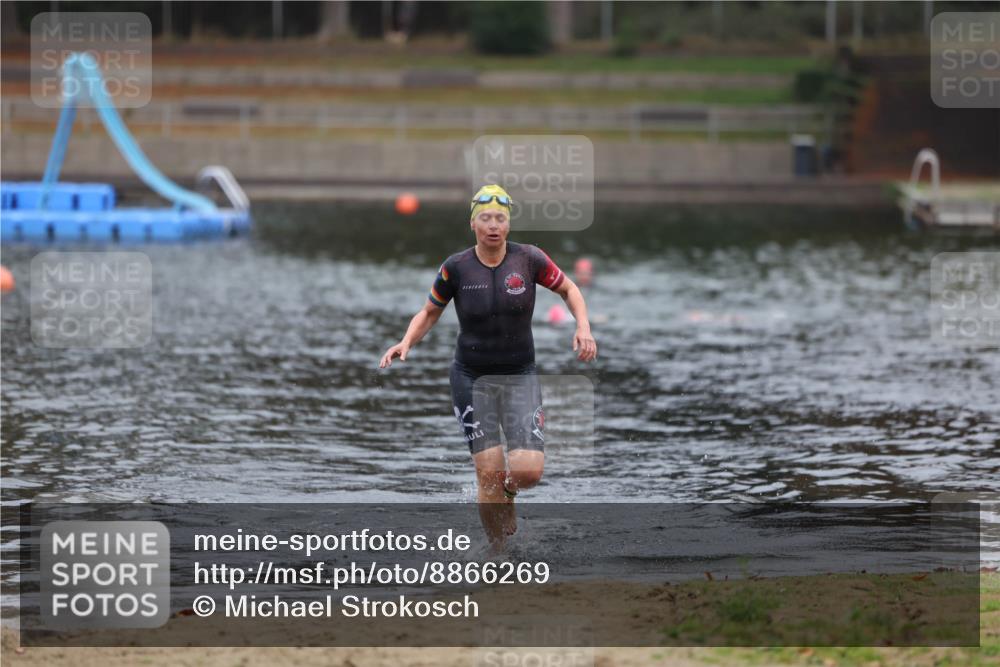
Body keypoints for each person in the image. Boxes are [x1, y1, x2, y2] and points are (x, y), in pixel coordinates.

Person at [379, 184, 597, 548]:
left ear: (508, 224)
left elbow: (569, 290)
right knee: (488, 473)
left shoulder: (530, 259)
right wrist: (406, 341)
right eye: (485, 218)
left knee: (528, 472)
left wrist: (583, 326)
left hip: (519, 374)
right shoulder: (456, 267)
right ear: (473, 223)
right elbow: (430, 311)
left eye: (500, 218)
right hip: (471, 377)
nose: (493, 225)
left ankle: (509, 491)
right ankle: (498, 557)